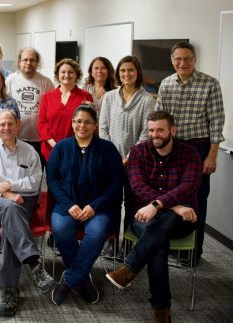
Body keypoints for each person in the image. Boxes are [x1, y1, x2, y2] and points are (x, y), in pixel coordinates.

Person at [106, 111, 202, 323]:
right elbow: (137, 186)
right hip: (143, 216)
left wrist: (158, 204)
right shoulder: (138, 152)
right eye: (151, 130)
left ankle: (130, 268)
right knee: (158, 242)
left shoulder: (190, 153)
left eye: (160, 130)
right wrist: (172, 205)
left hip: (181, 220)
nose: (155, 134)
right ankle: (161, 308)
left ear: (172, 131)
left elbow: (189, 185)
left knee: (161, 225)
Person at [0, 110, 52, 317]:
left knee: (12, 219)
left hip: (25, 201)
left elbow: (35, 183)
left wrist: (9, 184)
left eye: (10, 123)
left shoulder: (30, 152)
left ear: (18, 125)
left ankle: (10, 290)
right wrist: (8, 194)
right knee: (11, 209)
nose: (6, 128)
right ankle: (34, 262)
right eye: (2, 124)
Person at [47, 104, 123, 305]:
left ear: (95, 125)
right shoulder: (61, 147)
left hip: (99, 208)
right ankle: (84, 281)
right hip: (67, 205)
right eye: (78, 121)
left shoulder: (108, 149)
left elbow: (116, 183)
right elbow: (52, 180)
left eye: (88, 122)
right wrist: (68, 204)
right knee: (61, 230)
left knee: (97, 233)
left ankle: (69, 281)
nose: (82, 125)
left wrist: (94, 206)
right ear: (72, 123)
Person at [156, 41, 225, 261]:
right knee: (170, 197)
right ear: (172, 60)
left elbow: (216, 122)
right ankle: (172, 245)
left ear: (194, 60)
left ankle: (193, 252)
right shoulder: (166, 84)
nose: (182, 63)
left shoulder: (210, 84)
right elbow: (159, 117)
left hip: (198, 147)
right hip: (172, 148)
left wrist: (212, 155)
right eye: (178, 58)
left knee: (197, 198)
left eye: (187, 58)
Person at [99, 56, 155, 258]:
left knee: (132, 203)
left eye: (131, 70)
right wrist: (113, 156)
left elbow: (146, 133)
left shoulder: (147, 100)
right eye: (123, 71)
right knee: (111, 201)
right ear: (118, 74)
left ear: (137, 72)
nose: (126, 74)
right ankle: (112, 242)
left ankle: (129, 245)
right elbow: (103, 128)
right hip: (111, 160)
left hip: (137, 162)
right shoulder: (110, 97)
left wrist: (130, 157)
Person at [5, 47, 54, 166]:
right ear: (19, 62)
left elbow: (52, 110)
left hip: (40, 139)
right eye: (25, 60)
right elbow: (5, 108)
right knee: (19, 176)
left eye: (32, 60)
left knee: (36, 176)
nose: (28, 63)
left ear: (37, 63)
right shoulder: (10, 80)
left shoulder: (46, 82)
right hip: (17, 138)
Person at [38, 58, 93, 163]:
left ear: (76, 75)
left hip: (76, 152)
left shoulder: (85, 96)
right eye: (63, 72)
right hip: (51, 151)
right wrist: (55, 145)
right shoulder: (47, 97)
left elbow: (89, 124)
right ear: (58, 75)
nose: (66, 75)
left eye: (71, 72)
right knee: (53, 179)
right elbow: (42, 124)